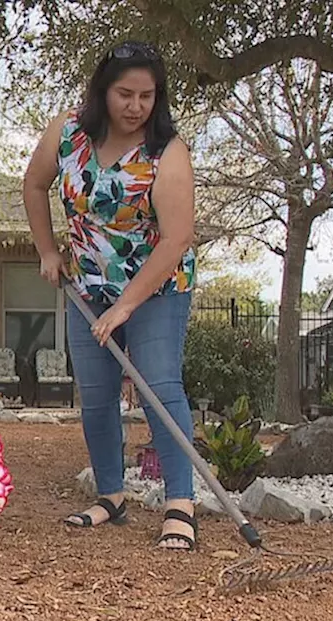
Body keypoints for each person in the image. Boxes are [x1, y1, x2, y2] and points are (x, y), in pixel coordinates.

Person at [21, 40, 200, 551]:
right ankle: (111, 497)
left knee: (159, 387)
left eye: (147, 96)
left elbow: (177, 239)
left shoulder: (167, 152)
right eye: (125, 93)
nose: (136, 106)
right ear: (104, 90)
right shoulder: (69, 132)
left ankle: (180, 505)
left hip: (157, 286)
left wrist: (127, 305)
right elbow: (33, 187)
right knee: (96, 395)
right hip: (87, 285)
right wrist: (48, 252)